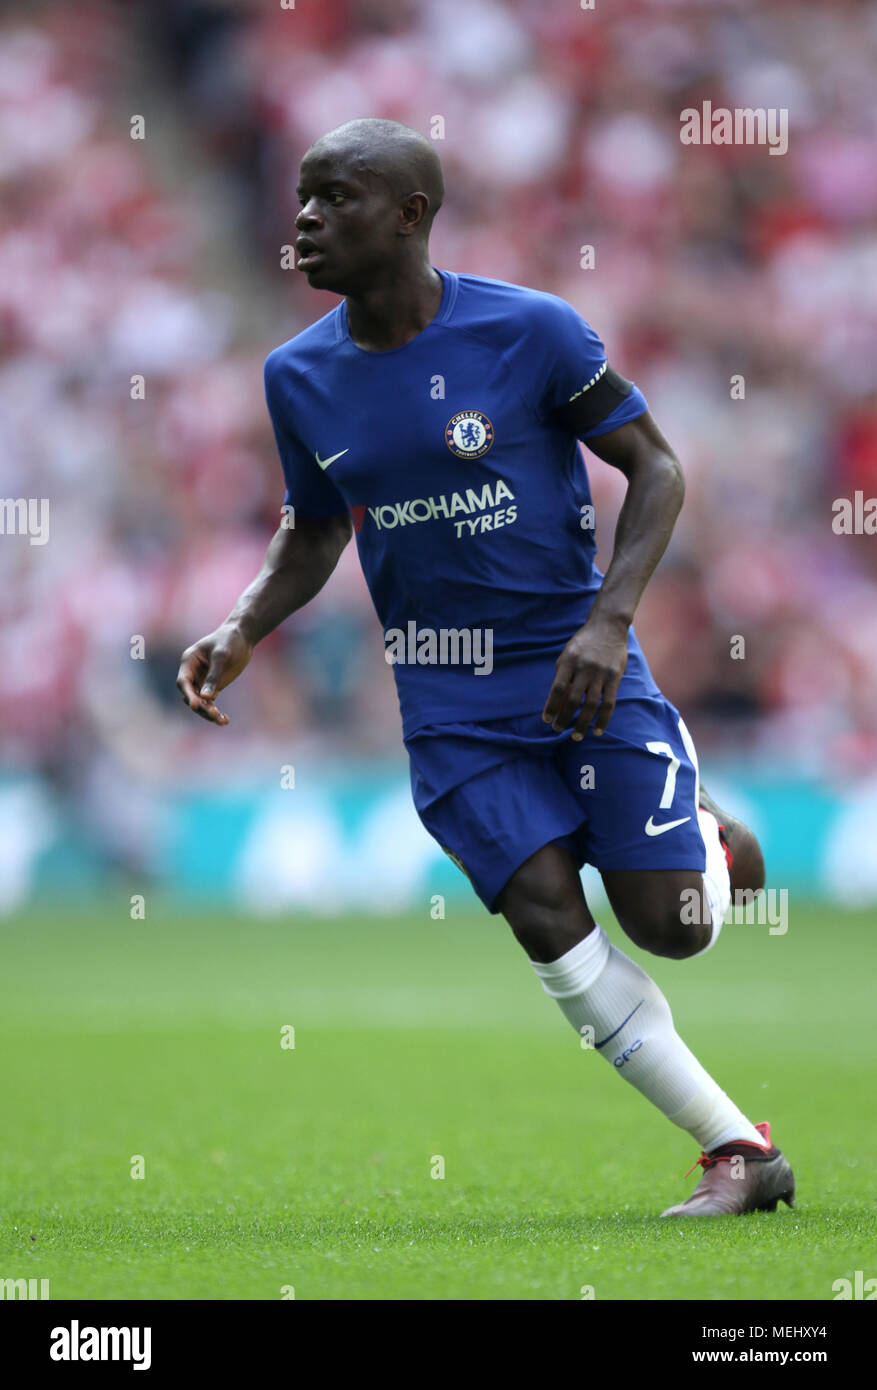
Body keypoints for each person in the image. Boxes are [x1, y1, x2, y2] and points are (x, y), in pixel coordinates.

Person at [177, 118, 794, 1218]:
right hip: (447, 703)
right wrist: (241, 625)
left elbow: (653, 467)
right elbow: (315, 530)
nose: (306, 218)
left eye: (337, 197)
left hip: (579, 666)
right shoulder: (298, 377)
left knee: (674, 927)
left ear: (411, 215)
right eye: (303, 198)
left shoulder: (532, 332)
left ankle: (703, 829)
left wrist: (607, 624)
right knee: (550, 922)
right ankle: (737, 1151)